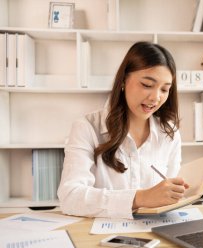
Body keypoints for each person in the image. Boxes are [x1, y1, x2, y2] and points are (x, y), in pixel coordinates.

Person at [57, 41, 188, 219]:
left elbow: (170, 196)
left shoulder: (169, 134)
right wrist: (140, 198)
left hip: (155, 234)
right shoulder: (86, 128)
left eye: (165, 89)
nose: (156, 98)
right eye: (147, 85)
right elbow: (70, 197)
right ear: (124, 80)